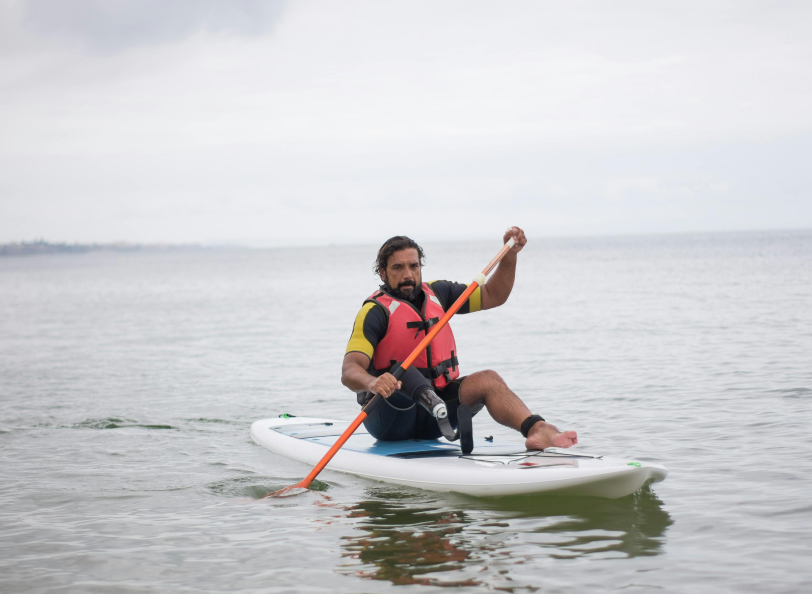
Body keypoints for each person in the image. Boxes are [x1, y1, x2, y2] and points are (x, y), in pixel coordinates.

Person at [341, 227, 578, 451]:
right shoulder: (374, 312)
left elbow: (494, 294)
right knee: (401, 370)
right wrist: (372, 382)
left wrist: (510, 256)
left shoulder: (439, 293)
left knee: (488, 380)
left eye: (414, 266)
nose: (408, 275)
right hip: (390, 417)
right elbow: (350, 370)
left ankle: (537, 430)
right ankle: (433, 405)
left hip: (436, 418)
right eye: (397, 268)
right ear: (383, 272)